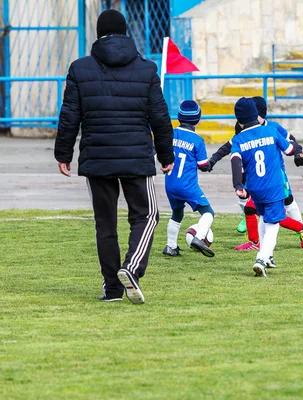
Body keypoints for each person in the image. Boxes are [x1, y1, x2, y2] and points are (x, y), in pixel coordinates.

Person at [54, 10, 174, 304]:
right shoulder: (147, 69)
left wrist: (63, 153)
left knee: (105, 223)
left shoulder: (79, 68)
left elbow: (70, 115)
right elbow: (159, 116)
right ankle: (131, 269)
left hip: (97, 156)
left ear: (98, 33)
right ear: (125, 32)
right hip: (136, 155)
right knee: (147, 216)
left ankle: (112, 289)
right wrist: (166, 154)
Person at [204, 96, 303, 250]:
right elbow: (228, 147)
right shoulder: (245, 129)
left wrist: (298, 154)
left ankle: (301, 229)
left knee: (286, 204)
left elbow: (292, 142)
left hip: (276, 176)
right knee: (253, 209)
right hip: (256, 178)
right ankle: (256, 242)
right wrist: (213, 160)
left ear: (260, 114)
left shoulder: (273, 128)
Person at [229, 97, 296, 277]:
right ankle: (261, 258)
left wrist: (238, 185)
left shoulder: (238, 139)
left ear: (239, 119)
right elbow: (289, 150)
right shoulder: (271, 130)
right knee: (273, 224)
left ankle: (267, 255)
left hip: (254, 188)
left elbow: (236, 161)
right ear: (256, 114)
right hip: (273, 186)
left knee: (264, 218)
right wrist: (298, 151)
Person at [163, 100, 215, 258]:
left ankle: (170, 246)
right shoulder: (197, 140)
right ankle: (199, 238)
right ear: (198, 119)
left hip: (170, 183)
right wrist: (210, 164)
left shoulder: (170, 133)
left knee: (177, 212)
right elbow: (203, 165)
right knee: (207, 212)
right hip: (187, 185)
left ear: (179, 117)